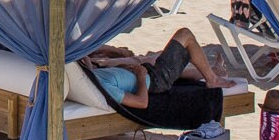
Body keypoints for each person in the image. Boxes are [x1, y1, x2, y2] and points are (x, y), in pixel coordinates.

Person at [82, 27, 224, 109]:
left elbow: (87, 61)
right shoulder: (102, 86)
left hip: (146, 71)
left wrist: (122, 67)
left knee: (177, 70)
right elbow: (142, 103)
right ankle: (213, 79)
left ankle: (216, 71)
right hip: (155, 80)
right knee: (185, 35)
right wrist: (141, 77)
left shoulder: (90, 75)